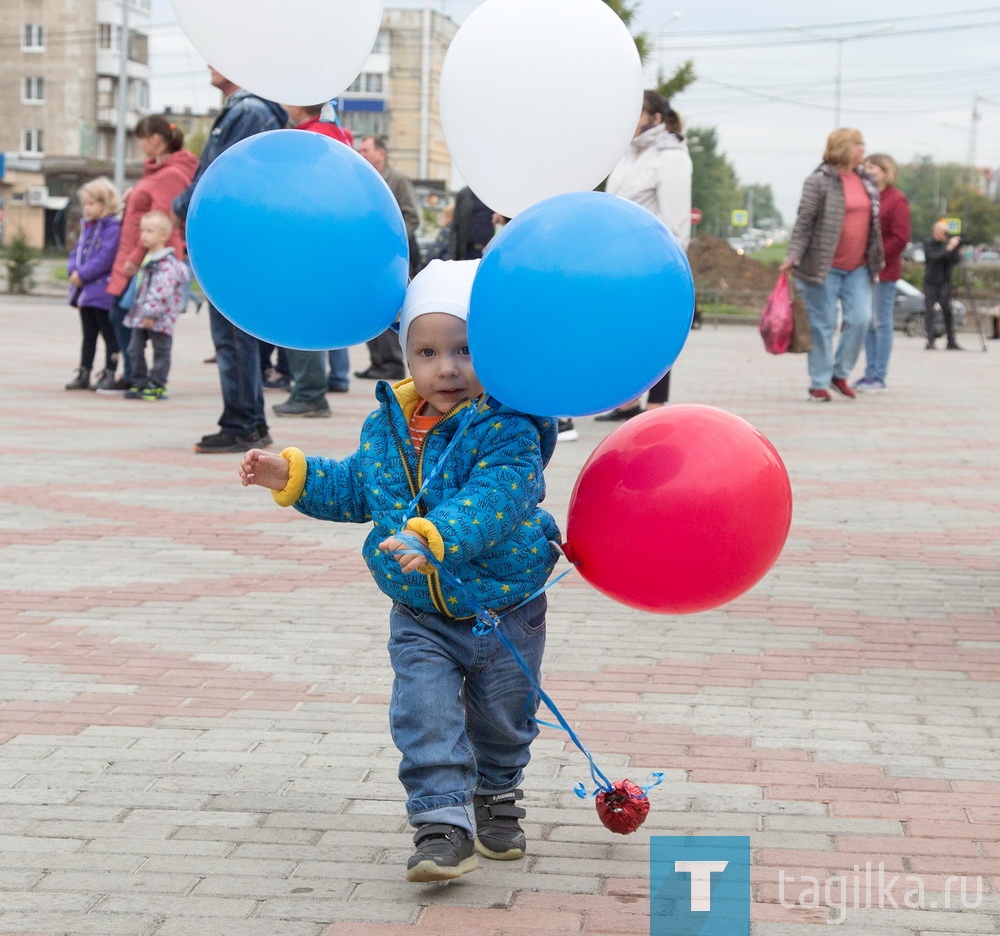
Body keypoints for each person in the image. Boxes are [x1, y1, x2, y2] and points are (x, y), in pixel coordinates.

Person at [238, 259, 561, 882]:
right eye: (428, 351)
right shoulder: (386, 426)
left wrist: (436, 535)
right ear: (406, 356)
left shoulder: (508, 427)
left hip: (504, 607)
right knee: (424, 711)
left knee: (503, 715)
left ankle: (496, 795)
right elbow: (360, 487)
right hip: (419, 612)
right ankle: (441, 822)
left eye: (464, 350)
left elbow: (500, 497)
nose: (447, 367)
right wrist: (293, 476)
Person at [172, 67, 288, 453]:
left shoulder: (249, 110)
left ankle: (243, 423)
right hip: (239, 238)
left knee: (234, 337)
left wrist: (182, 205)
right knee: (236, 337)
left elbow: (221, 175)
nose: (207, 63)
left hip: (234, 240)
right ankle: (248, 421)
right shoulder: (250, 108)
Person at [595, 89, 692, 424]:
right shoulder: (626, 154)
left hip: (653, 260)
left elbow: (676, 217)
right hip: (619, 259)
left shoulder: (671, 155)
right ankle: (628, 403)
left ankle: (655, 408)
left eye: (636, 113)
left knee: (654, 333)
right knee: (624, 331)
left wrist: (671, 264)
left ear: (655, 117)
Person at [267, 102, 359, 418]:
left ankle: (309, 393)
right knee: (309, 314)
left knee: (297, 315)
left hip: (308, 242)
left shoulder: (312, 140)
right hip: (328, 242)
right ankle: (312, 389)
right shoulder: (332, 134)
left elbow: (300, 192)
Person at [780, 128, 884, 402]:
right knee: (822, 325)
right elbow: (804, 223)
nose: (864, 149)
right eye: (860, 144)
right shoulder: (819, 181)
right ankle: (819, 382)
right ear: (846, 148)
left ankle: (840, 372)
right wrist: (792, 256)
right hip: (822, 266)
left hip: (859, 266)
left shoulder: (866, 181)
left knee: (860, 319)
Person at [106, 116, 198, 393]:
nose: (141, 145)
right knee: (123, 314)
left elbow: (161, 222)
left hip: (146, 258)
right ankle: (135, 374)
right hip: (138, 253)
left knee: (128, 315)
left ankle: (140, 376)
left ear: (155, 139)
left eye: (142, 139)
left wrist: (138, 257)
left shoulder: (170, 174)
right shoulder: (159, 171)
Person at [355, 135, 421, 381]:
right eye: (359, 150)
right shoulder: (363, 181)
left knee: (391, 309)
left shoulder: (397, 179)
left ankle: (393, 363)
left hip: (393, 259)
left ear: (380, 153)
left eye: (365, 149)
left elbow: (412, 217)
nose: (361, 154)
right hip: (368, 259)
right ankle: (377, 362)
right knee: (370, 308)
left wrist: (392, 243)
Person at [854, 153, 910, 391]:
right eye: (866, 167)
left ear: (886, 171)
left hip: (885, 271)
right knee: (867, 322)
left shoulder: (896, 200)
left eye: (873, 167)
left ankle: (879, 375)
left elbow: (900, 238)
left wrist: (877, 256)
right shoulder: (868, 196)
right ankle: (869, 373)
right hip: (864, 269)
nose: (869, 171)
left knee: (881, 322)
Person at [122, 211, 190, 401]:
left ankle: (157, 384)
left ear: (163, 235)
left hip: (159, 318)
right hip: (140, 315)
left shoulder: (166, 265)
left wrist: (150, 313)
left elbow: (161, 291)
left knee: (161, 351)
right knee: (134, 348)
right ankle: (140, 381)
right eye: (142, 230)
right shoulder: (148, 260)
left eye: (149, 231)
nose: (143, 235)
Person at [65, 176, 122, 391]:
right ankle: (84, 371)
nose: (86, 208)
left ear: (105, 202)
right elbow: (76, 251)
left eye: (91, 203)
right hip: (86, 292)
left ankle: (110, 371)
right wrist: (73, 269)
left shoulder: (112, 229)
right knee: (88, 335)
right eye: (85, 204)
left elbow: (106, 257)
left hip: (102, 291)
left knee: (108, 334)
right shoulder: (88, 227)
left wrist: (83, 274)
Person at [923, 220, 963, 350]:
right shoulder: (928, 243)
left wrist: (956, 249)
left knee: (947, 310)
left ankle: (951, 340)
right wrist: (948, 248)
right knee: (930, 312)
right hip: (931, 282)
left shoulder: (947, 244)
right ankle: (930, 341)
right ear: (937, 232)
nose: (946, 235)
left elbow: (956, 261)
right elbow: (933, 258)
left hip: (945, 282)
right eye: (943, 232)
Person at [450, 187, 495, 261]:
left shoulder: (495, 193)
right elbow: (456, 226)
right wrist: (453, 256)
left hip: (490, 250)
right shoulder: (465, 194)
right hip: (468, 251)